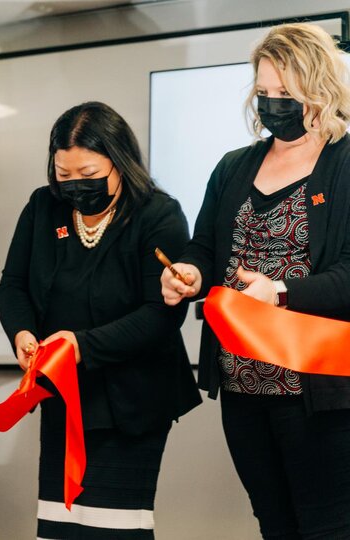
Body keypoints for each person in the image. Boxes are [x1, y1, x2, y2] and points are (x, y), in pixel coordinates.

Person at [161, 23, 350, 539]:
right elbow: (203, 246)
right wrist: (191, 273)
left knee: (329, 528)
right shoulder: (233, 167)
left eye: (285, 94)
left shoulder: (345, 163)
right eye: (263, 93)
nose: (271, 105)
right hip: (243, 384)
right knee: (275, 526)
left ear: (321, 89)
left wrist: (280, 292)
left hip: (319, 389)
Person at [0, 101, 201, 539]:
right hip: (64, 396)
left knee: (114, 529)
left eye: (88, 175)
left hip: (134, 399)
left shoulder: (157, 213)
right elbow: (12, 286)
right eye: (64, 175)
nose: (74, 187)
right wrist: (22, 333)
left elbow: (160, 316)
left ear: (120, 162)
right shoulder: (42, 207)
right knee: (60, 525)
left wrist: (80, 346)